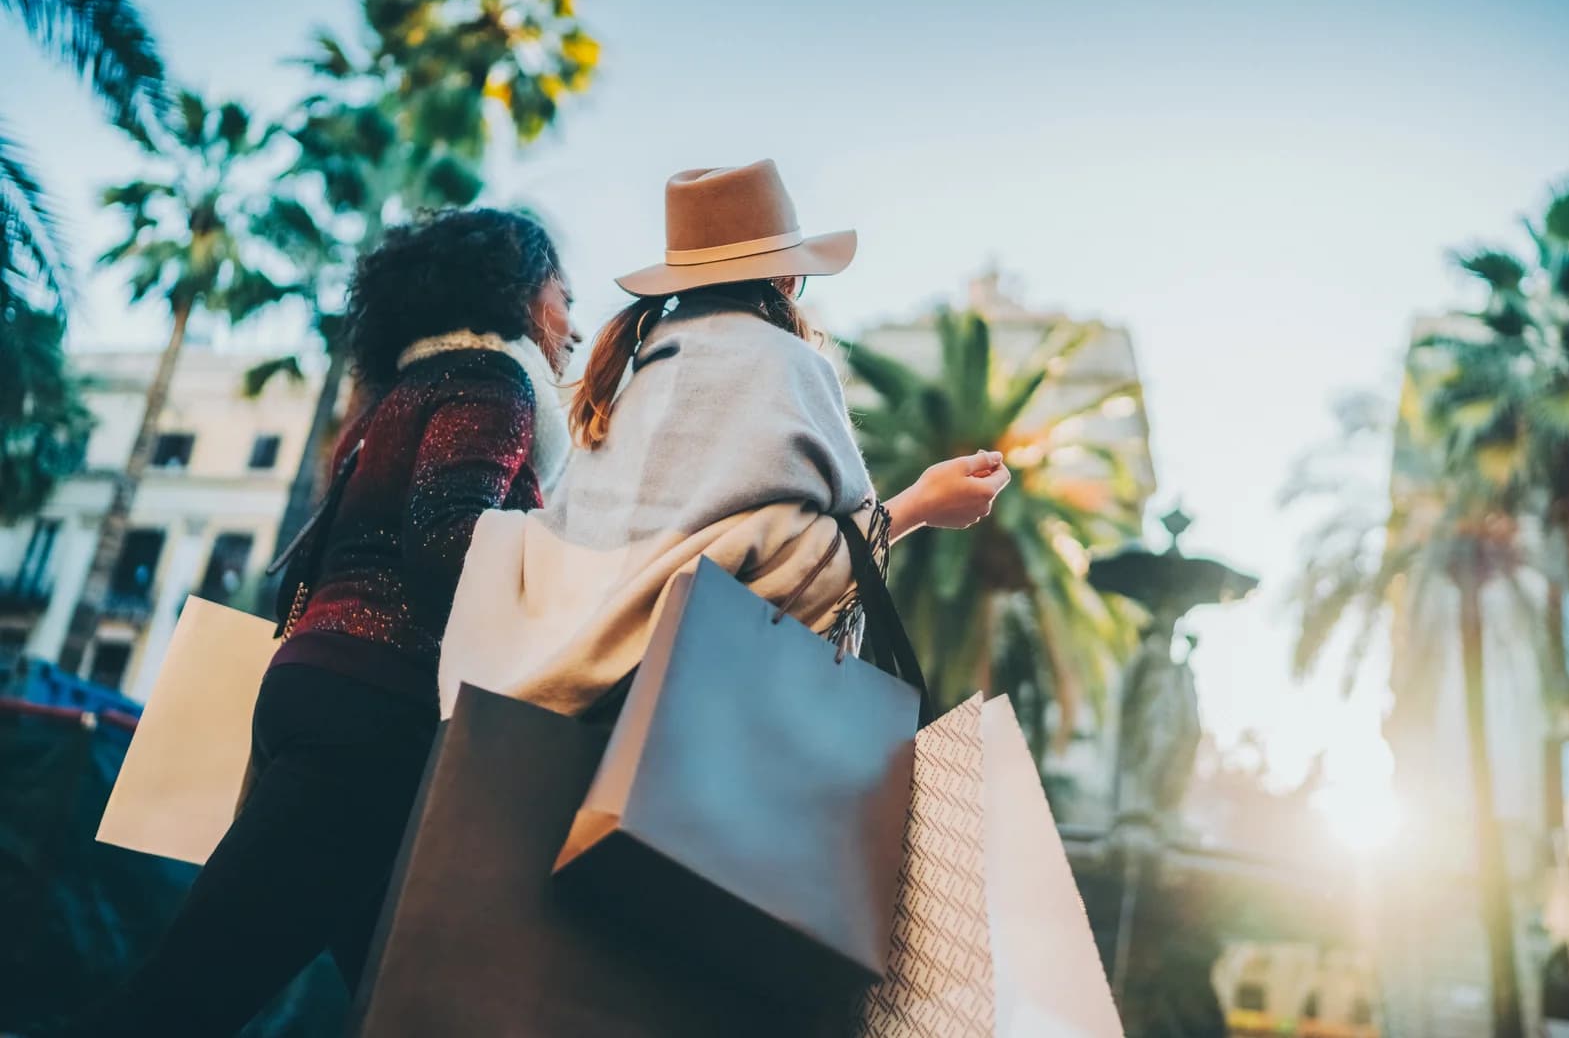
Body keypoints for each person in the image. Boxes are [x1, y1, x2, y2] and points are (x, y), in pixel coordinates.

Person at [53, 208, 580, 1037]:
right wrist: (569, 565)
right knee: (185, 997)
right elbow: (448, 540)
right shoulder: (492, 382)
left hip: (321, 689)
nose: (572, 326)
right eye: (562, 296)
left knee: (409, 1001)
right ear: (516, 293)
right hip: (377, 718)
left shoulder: (390, 400)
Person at [439, 159, 1009, 721]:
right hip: (693, 729)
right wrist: (920, 506)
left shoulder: (635, 375)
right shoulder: (786, 363)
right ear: (786, 279)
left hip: (567, 723)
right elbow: (803, 572)